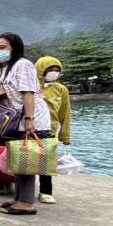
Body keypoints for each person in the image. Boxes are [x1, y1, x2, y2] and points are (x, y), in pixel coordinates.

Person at [0, 32, 51, 215]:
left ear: (14, 48)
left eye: (2, 48)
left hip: (31, 117)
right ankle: (18, 198)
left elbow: (28, 93)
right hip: (17, 118)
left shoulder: (23, 65)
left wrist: (30, 120)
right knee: (17, 157)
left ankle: (26, 203)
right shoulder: (4, 68)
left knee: (27, 159)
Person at [35, 56, 71, 204]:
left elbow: (65, 113)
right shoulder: (32, 86)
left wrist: (65, 135)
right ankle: (23, 190)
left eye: (57, 70)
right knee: (23, 160)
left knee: (46, 162)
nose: (54, 73)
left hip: (50, 130)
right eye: (50, 70)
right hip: (30, 128)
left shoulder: (61, 89)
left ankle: (45, 192)